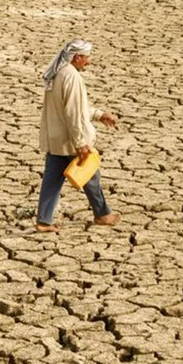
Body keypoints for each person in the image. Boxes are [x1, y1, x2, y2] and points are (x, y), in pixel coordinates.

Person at [35, 39, 121, 232]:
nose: (88, 61)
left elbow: (75, 108)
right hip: (70, 139)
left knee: (52, 180)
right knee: (91, 175)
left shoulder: (57, 73)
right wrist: (81, 142)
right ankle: (102, 214)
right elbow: (73, 113)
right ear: (77, 57)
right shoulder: (71, 77)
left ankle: (43, 220)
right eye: (87, 57)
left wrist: (99, 115)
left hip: (56, 139)